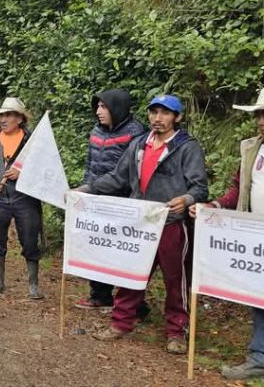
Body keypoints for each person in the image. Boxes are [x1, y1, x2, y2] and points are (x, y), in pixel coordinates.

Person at [82, 94, 208, 355]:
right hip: (140, 223)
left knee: (176, 280)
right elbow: (118, 178)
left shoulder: (186, 146)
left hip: (172, 223)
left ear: (177, 117)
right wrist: (87, 189)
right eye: (153, 112)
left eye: (164, 113)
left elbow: (200, 187)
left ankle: (176, 331)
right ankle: (121, 322)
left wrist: (186, 199)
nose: (157, 118)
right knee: (131, 273)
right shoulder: (139, 144)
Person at [191, 87, 264, 380]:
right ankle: (262, 359)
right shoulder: (252, 149)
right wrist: (214, 205)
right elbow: (238, 189)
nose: (261, 121)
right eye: (259, 115)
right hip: (261, 242)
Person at [75, 90, 149, 312]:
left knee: (122, 253)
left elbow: (127, 173)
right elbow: (90, 164)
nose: (98, 112)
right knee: (96, 248)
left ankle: (135, 306)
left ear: (117, 108)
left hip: (122, 202)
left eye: (104, 107)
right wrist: (86, 190)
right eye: (97, 107)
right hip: (96, 199)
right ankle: (100, 295)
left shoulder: (136, 134)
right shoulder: (96, 131)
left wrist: (93, 188)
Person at [0, 97, 45, 299]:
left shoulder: (32, 141)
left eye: (8, 115)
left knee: (30, 241)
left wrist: (23, 174)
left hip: (26, 200)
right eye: (2, 115)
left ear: (20, 119)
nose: (3, 119)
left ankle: (33, 285)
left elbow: (43, 170)